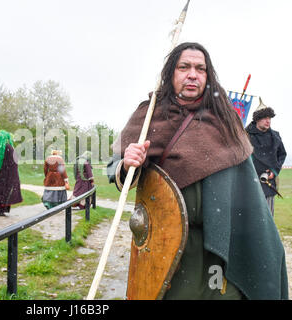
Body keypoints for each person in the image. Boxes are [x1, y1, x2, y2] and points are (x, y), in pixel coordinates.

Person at [107, 42, 288, 300]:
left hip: (223, 242)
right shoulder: (151, 114)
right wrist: (128, 163)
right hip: (168, 245)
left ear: (208, 75)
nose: (193, 74)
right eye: (184, 67)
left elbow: (246, 183)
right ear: (171, 73)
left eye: (200, 69)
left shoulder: (225, 118)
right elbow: (116, 170)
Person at [245, 98, 287, 216]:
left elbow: (282, 155)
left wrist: (274, 171)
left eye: (269, 118)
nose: (268, 121)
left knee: (268, 218)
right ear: (257, 119)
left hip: (268, 183)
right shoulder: (245, 135)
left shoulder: (275, 136)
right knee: (250, 219)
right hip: (249, 184)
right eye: (265, 118)